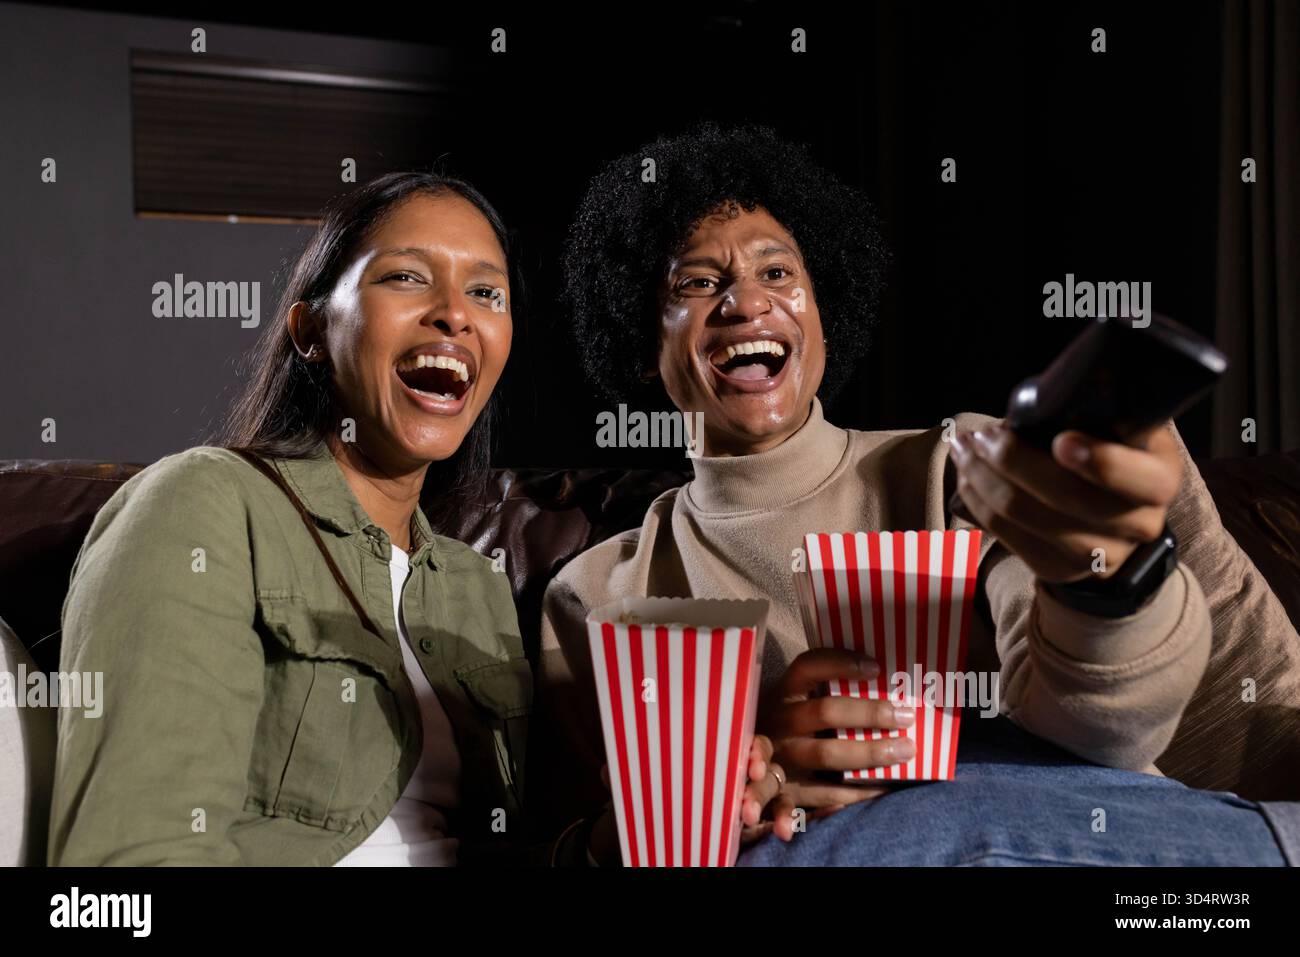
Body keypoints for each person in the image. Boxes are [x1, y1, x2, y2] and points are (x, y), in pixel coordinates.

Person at [536, 123, 1296, 866]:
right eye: (700, 283)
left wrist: (1100, 579)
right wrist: (735, 775)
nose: (747, 302)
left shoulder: (954, 465)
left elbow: (1104, 731)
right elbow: (582, 845)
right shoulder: (597, 592)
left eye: (779, 273)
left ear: (821, 312)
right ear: (644, 342)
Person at [49, 171, 554, 865]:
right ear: (311, 330)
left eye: (485, 291)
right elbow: (137, 858)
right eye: (407, 277)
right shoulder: (204, 505)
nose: (454, 313)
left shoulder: (479, 586)